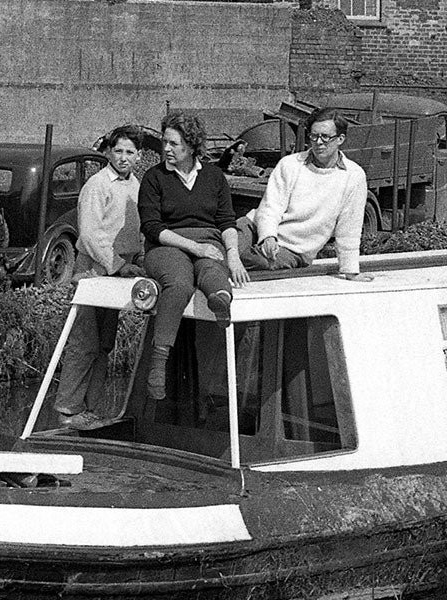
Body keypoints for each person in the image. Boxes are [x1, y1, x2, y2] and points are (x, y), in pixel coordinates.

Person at [138, 112, 243, 400]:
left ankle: (220, 299)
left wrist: (232, 254)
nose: (166, 149)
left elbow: (226, 221)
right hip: (166, 246)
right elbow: (151, 226)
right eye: (165, 143)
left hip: (208, 240)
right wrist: (194, 247)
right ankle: (159, 364)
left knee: (212, 268)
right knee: (179, 283)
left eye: (174, 144)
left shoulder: (213, 176)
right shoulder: (153, 178)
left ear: (192, 145)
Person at [53, 126, 146, 432]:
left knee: (105, 344)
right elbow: (91, 235)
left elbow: (137, 232)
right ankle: (68, 410)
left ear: (139, 156)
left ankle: (92, 409)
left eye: (130, 152)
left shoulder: (137, 186)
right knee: (84, 343)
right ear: (108, 152)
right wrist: (117, 265)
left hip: (120, 274)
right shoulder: (96, 185)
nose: (123, 158)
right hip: (92, 271)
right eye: (118, 151)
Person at [231, 108, 372, 280]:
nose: (319, 142)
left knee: (248, 260)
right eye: (314, 136)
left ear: (340, 139)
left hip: (294, 250)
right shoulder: (290, 164)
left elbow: (349, 229)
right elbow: (271, 206)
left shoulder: (354, 176)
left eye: (325, 137)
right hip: (256, 227)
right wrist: (268, 236)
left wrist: (350, 271)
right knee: (226, 248)